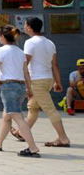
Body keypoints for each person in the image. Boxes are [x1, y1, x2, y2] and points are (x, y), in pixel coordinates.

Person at [0, 25, 41, 158]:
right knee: (7, 115)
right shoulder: (20, 52)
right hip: (21, 86)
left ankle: (33, 148)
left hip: (8, 86)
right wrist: (29, 88)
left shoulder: (1, 51)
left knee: (17, 116)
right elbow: (25, 72)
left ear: (2, 36)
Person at [20, 17, 70, 147]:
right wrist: (57, 82)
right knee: (33, 107)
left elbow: (25, 64)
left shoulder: (30, 42)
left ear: (29, 27)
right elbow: (55, 64)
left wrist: (26, 85)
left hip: (37, 81)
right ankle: (22, 133)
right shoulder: (50, 43)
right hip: (48, 80)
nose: (24, 27)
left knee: (50, 109)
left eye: (25, 24)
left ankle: (63, 138)